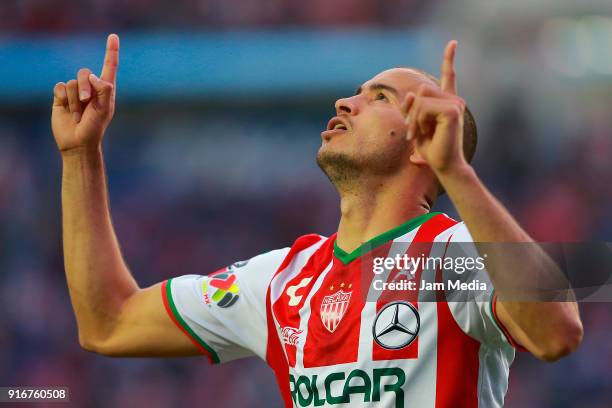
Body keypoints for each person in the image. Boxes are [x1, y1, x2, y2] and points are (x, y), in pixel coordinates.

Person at [51, 34, 583, 407]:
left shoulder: (453, 255)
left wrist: (458, 174)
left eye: (379, 97)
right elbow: (109, 323)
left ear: (423, 144)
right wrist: (80, 157)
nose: (345, 102)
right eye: (356, 91)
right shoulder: (281, 280)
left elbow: (558, 332)